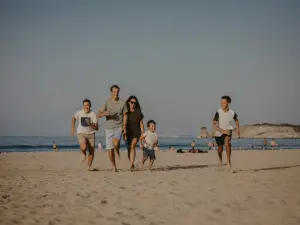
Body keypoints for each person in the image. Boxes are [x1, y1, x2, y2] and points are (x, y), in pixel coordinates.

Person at [98, 85, 128, 172]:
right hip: (108, 128)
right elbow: (98, 114)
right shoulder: (107, 102)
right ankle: (114, 166)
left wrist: (124, 127)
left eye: (117, 92)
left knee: (116, 143)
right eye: (114, 92)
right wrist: (104, 114)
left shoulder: (122, 102)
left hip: (118, 126)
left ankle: (117, 151)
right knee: (110, 151)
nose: (116, 93)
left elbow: (125, 115)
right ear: (111, 92)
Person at [213, 96, 240, 168]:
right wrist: (222, 131)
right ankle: (220, 159)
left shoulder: (232, 112)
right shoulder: (218, 112)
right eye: (221, 103)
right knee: (220, 149)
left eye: (224, 103)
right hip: (219, 132)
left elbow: (236, 121)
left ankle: (228, 161)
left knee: (227, 144)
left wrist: (238, 129)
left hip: (228, 130)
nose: (222, 104)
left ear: (228, 103)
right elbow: (214, 124)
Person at [71, 99, 98, 170]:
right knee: (83, 147)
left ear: (90, 106)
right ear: (83, 106)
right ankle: (83, 153)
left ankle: (89, 167)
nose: (86, 107)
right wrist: (73, 127)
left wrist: (91, 124)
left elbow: (96, 127)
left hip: (91, 134)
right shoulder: (79, 112)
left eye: (88, 105)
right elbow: (73, 118)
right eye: (85, 105)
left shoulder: (93, 114)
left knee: (91, 151)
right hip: (81, 133)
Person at [125, 95, 144, 171]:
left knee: (133, 146)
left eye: (134, 103)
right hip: (127, 133)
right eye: (131, 102)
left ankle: (131, 166)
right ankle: (132, 164)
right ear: (128, 102)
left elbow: (141, 123)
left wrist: (142, 133)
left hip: (136, 132)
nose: (133, 104)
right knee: (129, 149)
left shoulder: (138, 112)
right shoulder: (125, 112)